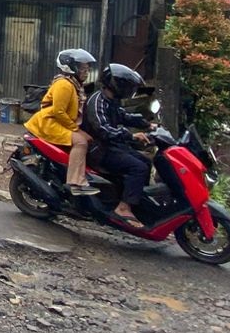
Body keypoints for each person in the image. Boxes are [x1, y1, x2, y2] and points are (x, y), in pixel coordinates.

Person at [80, 63, 152, 228]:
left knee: (146, 162)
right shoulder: (97, 101)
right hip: (99, 150)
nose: (130, 90)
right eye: (128, 86)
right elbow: (103, 129)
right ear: (117, 84)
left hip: (111, 146)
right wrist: (131, 135)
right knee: (138, 168)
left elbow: (123, 116)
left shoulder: (111, 101)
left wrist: (147, 124)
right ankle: (123, 208)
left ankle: (136, 203)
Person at [23, 48, 97, 196]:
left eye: (87, 68)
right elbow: (59, 112)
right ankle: (75, 183)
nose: (86, 72)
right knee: (81, 142)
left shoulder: (74, 85)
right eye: (83, 68)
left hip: (58, 122)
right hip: (48, 123)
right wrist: (76, 130)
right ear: (71, 67)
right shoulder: (64, 85)